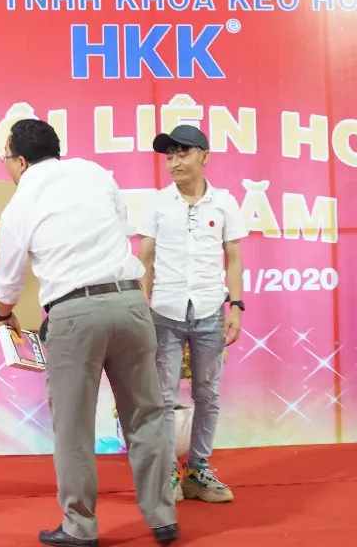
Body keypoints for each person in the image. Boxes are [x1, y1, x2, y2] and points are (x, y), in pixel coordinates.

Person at [0, 119, 178, 546]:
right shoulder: (94, 172)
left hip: (73, 315)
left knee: (73, 426)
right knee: (147, 415)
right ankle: (163, 516)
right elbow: (120, 223)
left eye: (6, 159)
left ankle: (80, 526)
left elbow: (9, 279)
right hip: (129, 302)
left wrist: (3, 314)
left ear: (21, 161)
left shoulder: (19, 205)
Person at [137, 124, 246, 504]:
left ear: (205, 156)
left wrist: (236, 305)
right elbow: (145, 259)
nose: (175, 162)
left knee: (208, 393)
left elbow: (234, 258)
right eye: (170, 156)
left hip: (210, 311)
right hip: (164, 312)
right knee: (163, 397)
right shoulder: (156, 203)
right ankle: (168, 471)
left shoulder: (224, 203)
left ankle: (198, 470)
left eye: (183, 153)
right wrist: (142, 307)